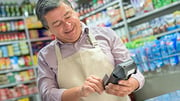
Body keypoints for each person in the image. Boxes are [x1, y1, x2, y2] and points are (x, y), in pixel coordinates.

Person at [35, 0, 145, 101]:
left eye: (68, 16)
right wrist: (79, 91)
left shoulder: (106, 35)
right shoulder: (46, 56)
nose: (67, 25)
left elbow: (135, 73)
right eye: (57, 24)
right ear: (49, 29)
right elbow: (47, 95)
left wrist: (132, 84)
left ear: (75, 12)